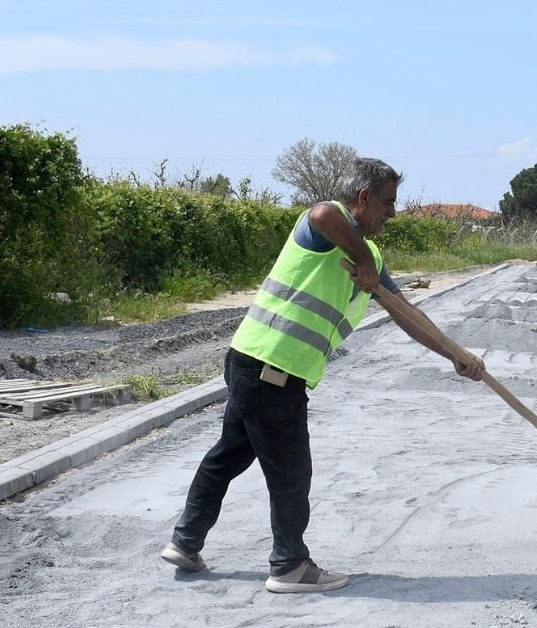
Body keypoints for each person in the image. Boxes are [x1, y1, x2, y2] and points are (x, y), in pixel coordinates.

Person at [160, 158, 485, 593]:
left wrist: (455, 353)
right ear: (364, 197)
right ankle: (290, 566)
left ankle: (185, 542)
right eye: (388, 202)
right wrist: (361, 259)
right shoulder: (324, 225)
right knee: (291, 470)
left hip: (253, 361)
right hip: (273, 368)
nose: (392, 212)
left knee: (229, 454)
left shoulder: (370, 255)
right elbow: (323, 213)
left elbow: (406, 312)